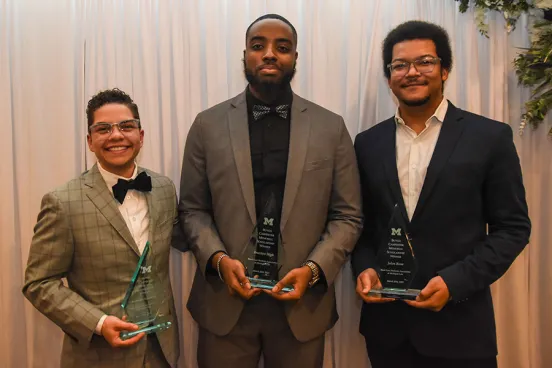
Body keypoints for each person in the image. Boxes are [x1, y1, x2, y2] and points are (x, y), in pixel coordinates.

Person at [178, 13, 362, 368]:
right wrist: (217, 260)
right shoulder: (207, 125)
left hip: (301, 305)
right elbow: (192, 209)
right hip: (224, 305)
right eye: (258, 45)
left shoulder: (331, 127)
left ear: (295, 58)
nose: (269, 54)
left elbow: (348, 215)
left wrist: (312, 270)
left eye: (282, 47)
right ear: (244, 55)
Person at [352, 20, 531, 368]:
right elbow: (362, 225)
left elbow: (513, 229)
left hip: (461, 329)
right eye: (399, 65)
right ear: (389, 76)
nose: (412, 72)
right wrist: (366, 267)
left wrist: (455, 282)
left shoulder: (489, 137)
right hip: (388, 332)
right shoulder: (367, 143)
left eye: (425, 62)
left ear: (445, 69)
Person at [23, 88, 185, 368]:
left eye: (126, 126)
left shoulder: (164, 188)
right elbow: (38, 283)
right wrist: (97, 322)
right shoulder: (62, 202)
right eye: (103, 129)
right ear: (90, 141)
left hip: (162, 350)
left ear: (141, 135)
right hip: (99, 356)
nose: (116, 135)